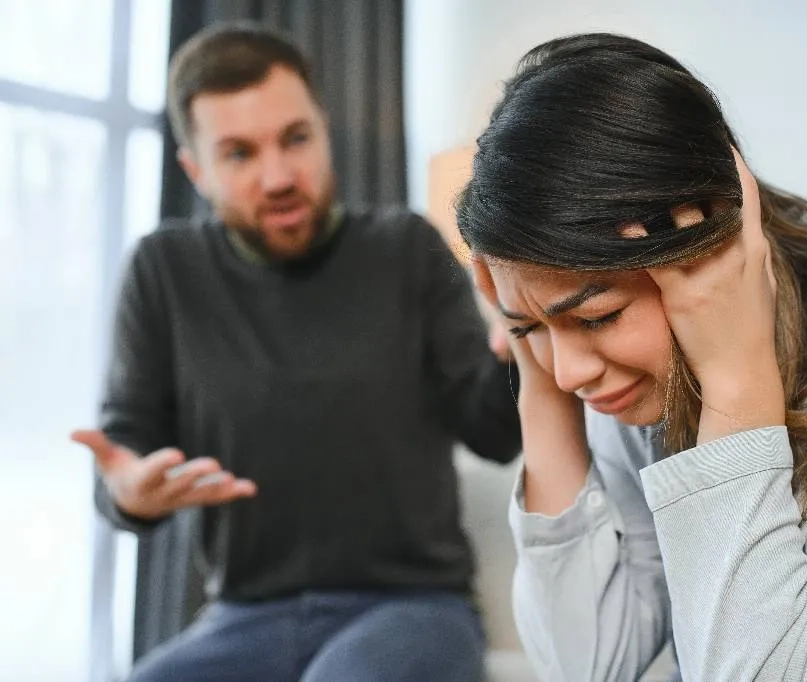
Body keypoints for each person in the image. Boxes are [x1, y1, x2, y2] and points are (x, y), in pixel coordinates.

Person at [457, 33, 807, 681]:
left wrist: (735, 382)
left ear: (706, 252)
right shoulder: (642, 385)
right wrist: (535, 378)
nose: (570, 372)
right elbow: (590, 665)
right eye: (535, 329)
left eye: (597, 317)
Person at [72, 21, 521, 682]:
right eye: (239, 154)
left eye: (296, 138)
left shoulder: (405, 250)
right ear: (196, 170)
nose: (279, 176)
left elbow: (494, 433)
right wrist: (130, 491)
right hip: (245, 618)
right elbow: (125, 452)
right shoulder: (163, 271)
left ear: (323, 130)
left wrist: (517, 353)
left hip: (413, 607)